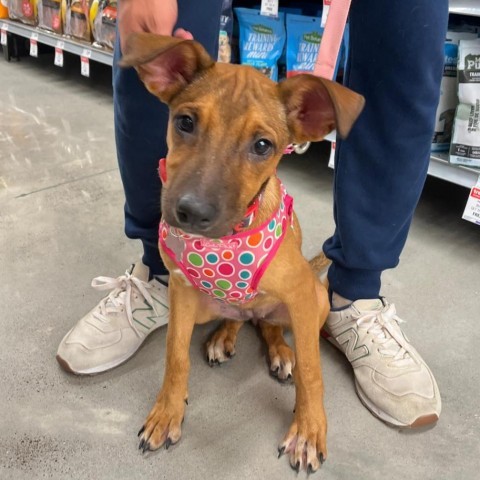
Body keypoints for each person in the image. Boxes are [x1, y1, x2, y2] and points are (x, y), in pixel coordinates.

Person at [57, 0, 448, 428]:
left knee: (403, 48)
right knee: (184, 281)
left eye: (260, 145)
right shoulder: (178, 75)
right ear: (167, 73)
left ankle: (353, 299)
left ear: (305, 126)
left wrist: (312, 399)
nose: (197, 200)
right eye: (188, 123)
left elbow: (296, 294)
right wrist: (172, 390)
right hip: (208, 290)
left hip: (273, 286)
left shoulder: (293, 127)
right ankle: (159, 273)